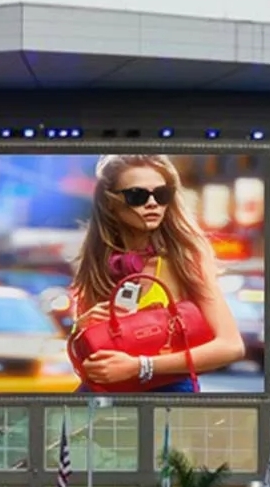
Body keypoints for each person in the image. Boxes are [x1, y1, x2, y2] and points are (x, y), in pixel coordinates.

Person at [70, 154, 245, 393]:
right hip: (106, 395)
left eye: (162, 195)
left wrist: (141, 366)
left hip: (167, 394)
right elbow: (87, 362)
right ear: (110, 202)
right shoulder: (99, 262)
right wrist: (82, 328)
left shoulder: (183, 257)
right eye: (137, 196)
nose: (152, 204)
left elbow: (231, 346)